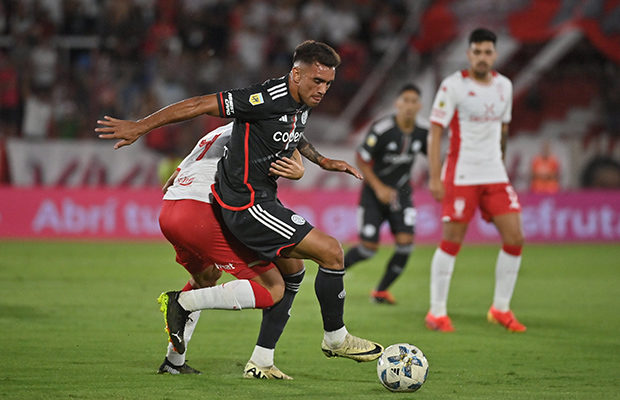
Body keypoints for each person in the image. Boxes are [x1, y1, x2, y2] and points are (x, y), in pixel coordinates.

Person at [97, 40, 383, 362]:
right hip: (247, 205)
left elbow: (293, 132)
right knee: (331, 252)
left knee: (293, 270)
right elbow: (200, 104)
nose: (323, 90)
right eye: (317, 81)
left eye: (328, 83)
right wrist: (140, 126)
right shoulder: (262, 99)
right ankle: (336, 338)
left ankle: (261, 361)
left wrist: (321, 160)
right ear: (296, 73)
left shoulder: (301, 100)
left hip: (256, 201)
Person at [155, 122, 306, 379]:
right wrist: (299, 168)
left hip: (170, 210)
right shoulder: (263, 126)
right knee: (273, 288)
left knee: (207, 278)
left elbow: (172, 178)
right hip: (200, 213)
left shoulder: (214, 132)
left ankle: (174, 360)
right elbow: (285, 153)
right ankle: (181, 303)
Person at [425, 28, 526, 333]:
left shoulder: (504, 86)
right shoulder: (453, 86)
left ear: (494, 55)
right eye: (477, 52)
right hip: (462, 173)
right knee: (452, 241)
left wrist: (502, 165)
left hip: (494, 173)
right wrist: (434, 176)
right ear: (469, 54)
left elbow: (504, 131)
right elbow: (436, 132)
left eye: (487, 52)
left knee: (515, 237)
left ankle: (501, 309)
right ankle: (437, 312)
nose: (482, 57)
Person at [344, 84, 427, 304]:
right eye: (405, 100)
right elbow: (361, 158)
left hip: (401, 195)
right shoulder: (383, 129)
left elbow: (435, 155)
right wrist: (379, 187)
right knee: (368, 248)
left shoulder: (423, 132)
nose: (409, 106)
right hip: (373, 195)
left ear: (419, 106)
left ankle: (381, 291)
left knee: (406, 243)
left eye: (413, 101)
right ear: (397, 103)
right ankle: (334, 271)